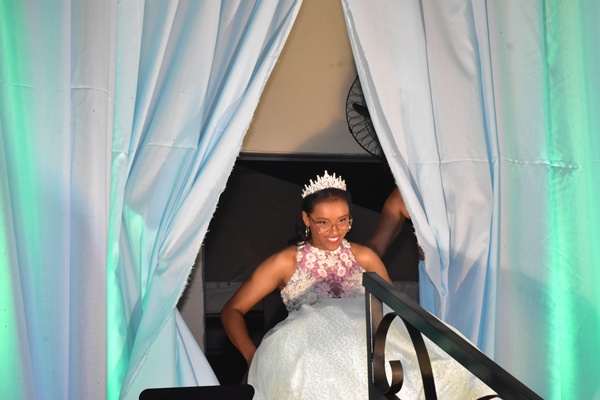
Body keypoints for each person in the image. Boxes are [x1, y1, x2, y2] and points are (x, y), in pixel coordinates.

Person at [221, 171, 493, 399]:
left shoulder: (365, 257)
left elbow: (398, 311)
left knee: (447, 368)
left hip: (369, 356)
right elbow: (232, 310)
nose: (334, 231)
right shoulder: (285, 261)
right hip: (316, 357)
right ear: (306, 220)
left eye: (342, 220)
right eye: (323, 223)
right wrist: (253, 356)